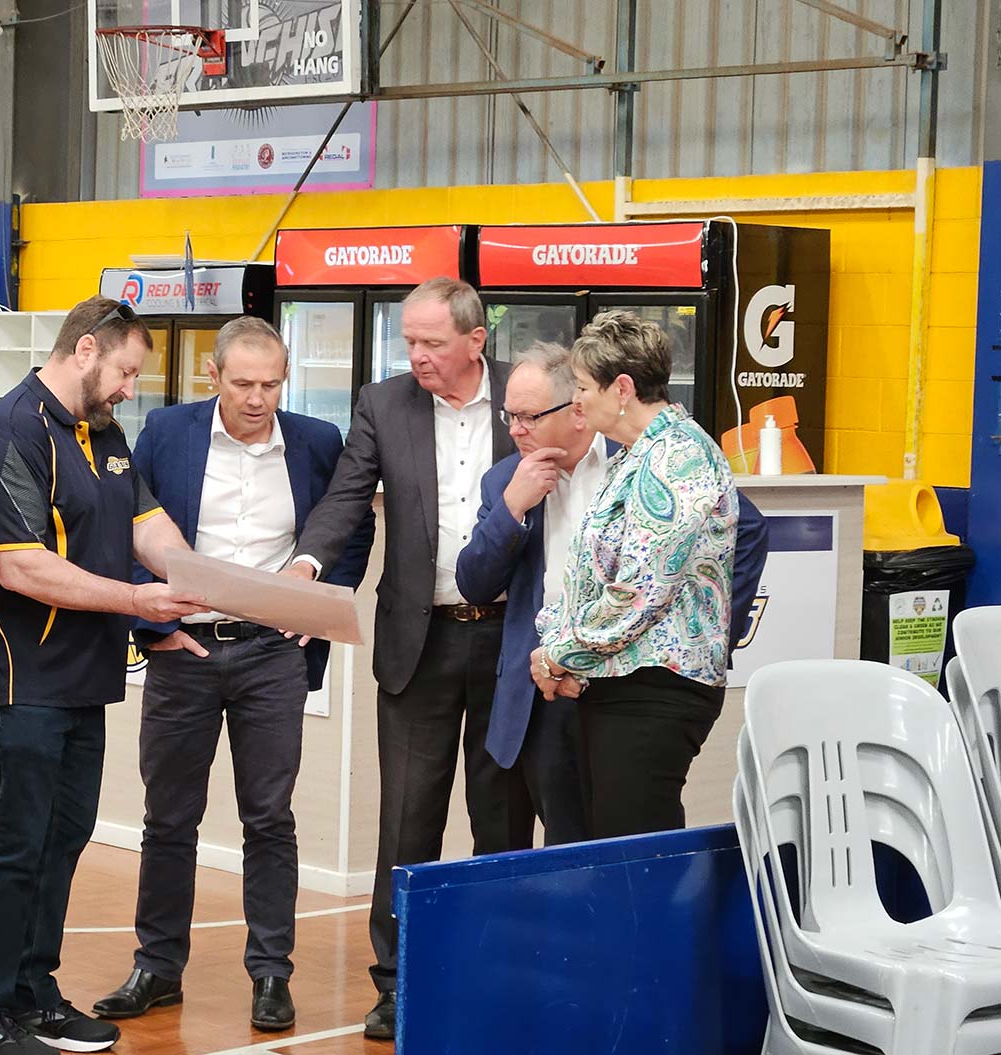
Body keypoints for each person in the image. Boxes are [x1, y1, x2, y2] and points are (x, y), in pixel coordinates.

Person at [92, 317, 374, 1031]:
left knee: (270, 818)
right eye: (243, 383)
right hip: (184, 652)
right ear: (212, 376)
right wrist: (152, 630)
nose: (258, 398)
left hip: (273, 656)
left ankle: (271, 974)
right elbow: (126, 527)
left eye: (272, 383)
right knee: (170, 818)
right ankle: (157, 966)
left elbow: (348, 531)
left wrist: (316, 606)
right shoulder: (166, 433)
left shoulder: (314, 441)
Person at [0, 297, 209, 1055]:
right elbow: (23, 567)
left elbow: (146, 526)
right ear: (86, 350)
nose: (132, 386)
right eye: (127, 369)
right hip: (19, 679)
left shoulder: (106, 433)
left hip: (84, 679)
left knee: (63, 838)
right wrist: (136, 599)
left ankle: (31, 992)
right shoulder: (8, 434)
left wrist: (205, 582)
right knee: (15, 841)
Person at [283, 276, 526, 1040]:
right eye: (409, 341)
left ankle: (498, 969)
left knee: (504, 819)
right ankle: (396, 981)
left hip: (511, 640)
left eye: (431, 342)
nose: (415, 355)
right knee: (406, 822)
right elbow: (345, 498)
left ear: (475, 341)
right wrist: (307, 566)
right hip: (417, 643)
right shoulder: (383, 404)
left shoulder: (525, 398)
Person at [456, 341, 768, 845]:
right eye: (508, 415)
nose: (514, 429)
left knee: (616, 842)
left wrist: (701, 637)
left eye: (529, 416)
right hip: (543, 687)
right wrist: (513, 506)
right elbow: (474, 582)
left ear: (577, 411)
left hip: (622, 683)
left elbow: (742, 532)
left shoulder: (642, 459)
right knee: (546, 852)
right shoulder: (505, 480)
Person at [531, 309, 742, 840]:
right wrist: (555, 641)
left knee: (635, 856)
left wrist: (561, 653)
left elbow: (638, 593)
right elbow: (589, 574)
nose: (575, 400)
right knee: (602, 851)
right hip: (614, 681)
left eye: (582, 387)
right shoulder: (634, 457)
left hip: (656, 690)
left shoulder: (679, 459)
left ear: (621, 387)